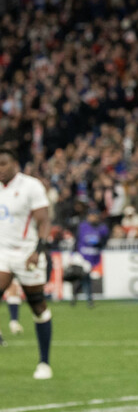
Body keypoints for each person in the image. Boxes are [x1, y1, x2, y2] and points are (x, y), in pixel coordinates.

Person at [0, 147, 54, 379]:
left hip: (27, 253)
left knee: (37, 306)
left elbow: (44, 221)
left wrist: (38, 250)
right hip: (2, 253)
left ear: (15, 164)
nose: (0, 169)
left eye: (3, 164)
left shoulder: (31, 186)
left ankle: (44, 363)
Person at [72, 206, 109, 307]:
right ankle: (89, 300)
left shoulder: (102, 228)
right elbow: (77, 240)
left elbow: (104, 241)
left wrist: (99, 243)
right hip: (82, 256)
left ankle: (75, 295)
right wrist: (73, 253)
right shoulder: (82, 226)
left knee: (83, 279)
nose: (93, 217)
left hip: (93, 256)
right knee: (86, 277)